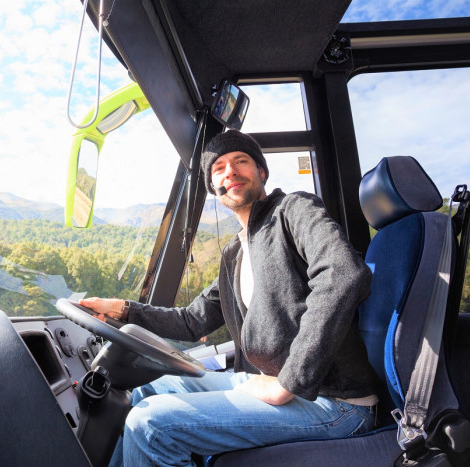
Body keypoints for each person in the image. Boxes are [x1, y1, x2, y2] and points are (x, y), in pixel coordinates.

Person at [80, 129, 378, 466]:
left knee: (152, 425)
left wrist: (288, 383)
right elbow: (193, 321)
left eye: (240, 161)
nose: (230, 172)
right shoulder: (234, 253)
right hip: (265, 381)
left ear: (261, 172)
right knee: (146, 392)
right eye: (219, 168)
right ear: (215, 188)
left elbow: (343, 273)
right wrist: (123, 310)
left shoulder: (293, 210)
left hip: (333, 402)